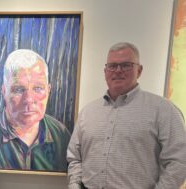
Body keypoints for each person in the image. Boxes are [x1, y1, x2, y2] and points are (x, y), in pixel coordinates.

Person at [67, 42, 186, 189]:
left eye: (126, 65)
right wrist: (74, 185)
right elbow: (74, 158)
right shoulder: (88, 112)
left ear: (139, 70)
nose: (118, 71)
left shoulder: (164, 110)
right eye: (112, 66)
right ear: (105, 71)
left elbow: (179, 161)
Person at [0, 49, 71, 171]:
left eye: (38, 88)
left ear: (48, 90)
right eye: (18, 89)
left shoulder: (62, 135)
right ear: (4, 92)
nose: (28, 99)